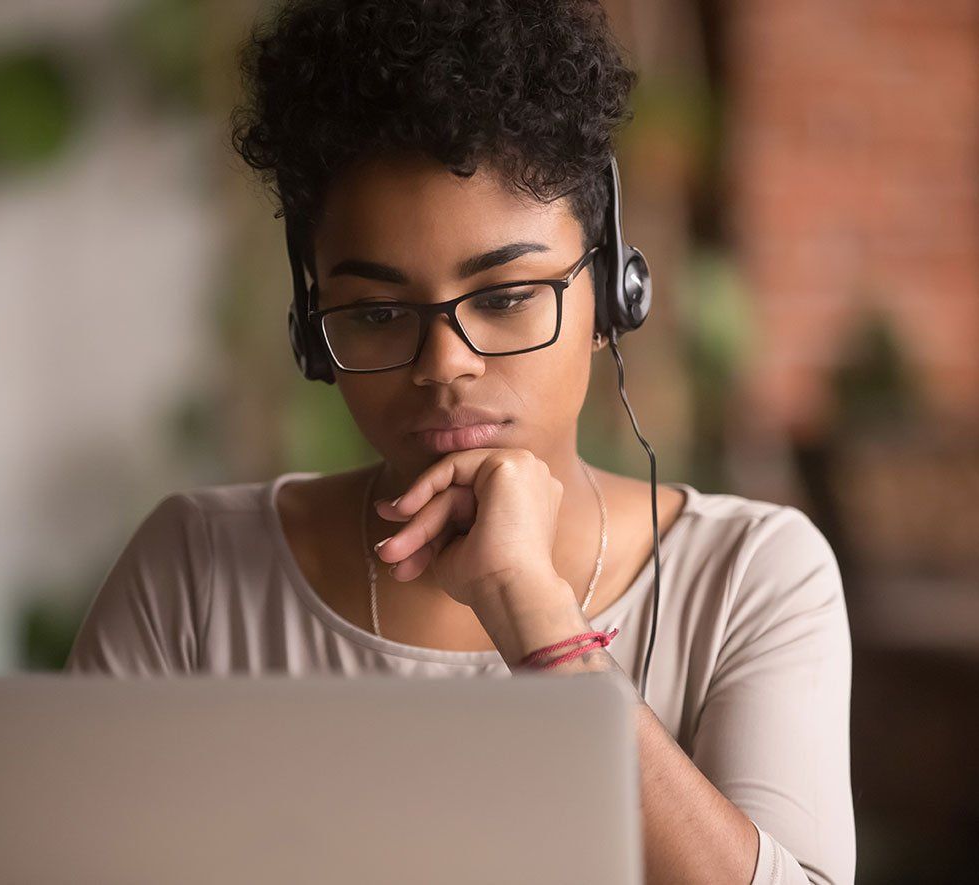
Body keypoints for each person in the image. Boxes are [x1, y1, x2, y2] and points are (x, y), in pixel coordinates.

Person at [64, 2, 855, 882]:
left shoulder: (751, 575)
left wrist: (532, 608)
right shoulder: (197, 575)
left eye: (507, 297)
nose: (446, 365)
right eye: (375, 312)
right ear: (310, 330)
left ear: (611, 295)